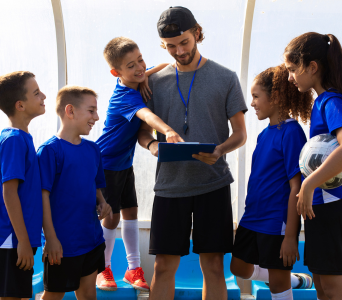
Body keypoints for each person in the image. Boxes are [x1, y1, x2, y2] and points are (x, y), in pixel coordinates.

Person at [137, 7, 248, 300]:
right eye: (171, 46)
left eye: (184, 42)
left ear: (197, 33)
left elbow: (240, 134)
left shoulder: (225, 77)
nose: (179, 51)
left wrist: (220, 151)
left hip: (213, 183)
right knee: (163, 266)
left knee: (213, 266)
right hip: (170, 186)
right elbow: (143, 132)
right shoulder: (154, 81)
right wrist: (153, 146)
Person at [95, 36, 183, 292]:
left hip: (124, 164)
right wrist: (168, 130)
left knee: (130, 212)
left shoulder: (136, 81)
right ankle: (103, 267)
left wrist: (145, 75)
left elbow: (165, 66)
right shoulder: (124, 96)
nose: (139, 67)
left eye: (140, 60)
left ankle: (133, 268)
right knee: (110, 218)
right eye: (131, 65)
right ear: (116, 72)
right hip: (107, 163)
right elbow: (146, 115)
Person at [230, 64, 314, 300]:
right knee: (238, 267)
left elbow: (296, 187)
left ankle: (289, 281)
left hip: (276, 222)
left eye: (256, 96)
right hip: (253, 217)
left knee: (278, 285)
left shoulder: (292, 132)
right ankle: (297, 280)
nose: (252, 103)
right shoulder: (264, 134)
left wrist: (290, 235)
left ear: (275, 97)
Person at [37, 86, 112, 300]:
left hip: (92, 239)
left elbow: (95, 185)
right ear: (70, 111)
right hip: (61, 245)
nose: (97, 117)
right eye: (91, 111)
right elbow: (42, 197)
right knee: (54, 295)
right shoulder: (50, 151)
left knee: (88, 293)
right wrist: (51, 239)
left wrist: (102, 202)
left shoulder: (93, 149)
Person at [284, 32, 342, 300]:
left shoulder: (332, 101)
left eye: (293, 70)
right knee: (321, 284)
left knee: (332, 288)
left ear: (313, 67)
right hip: (320, 208)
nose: (289, 77)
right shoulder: (321, 102)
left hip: (333, 206)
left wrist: (309, 183)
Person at [0, 71, 45, 299]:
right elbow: (9, 193)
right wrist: (23, 242)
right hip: (12, 240)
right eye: (36, 93)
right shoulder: (14, 140)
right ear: (20, 105)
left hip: (20, 239)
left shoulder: (23, 138)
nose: (43, 96)